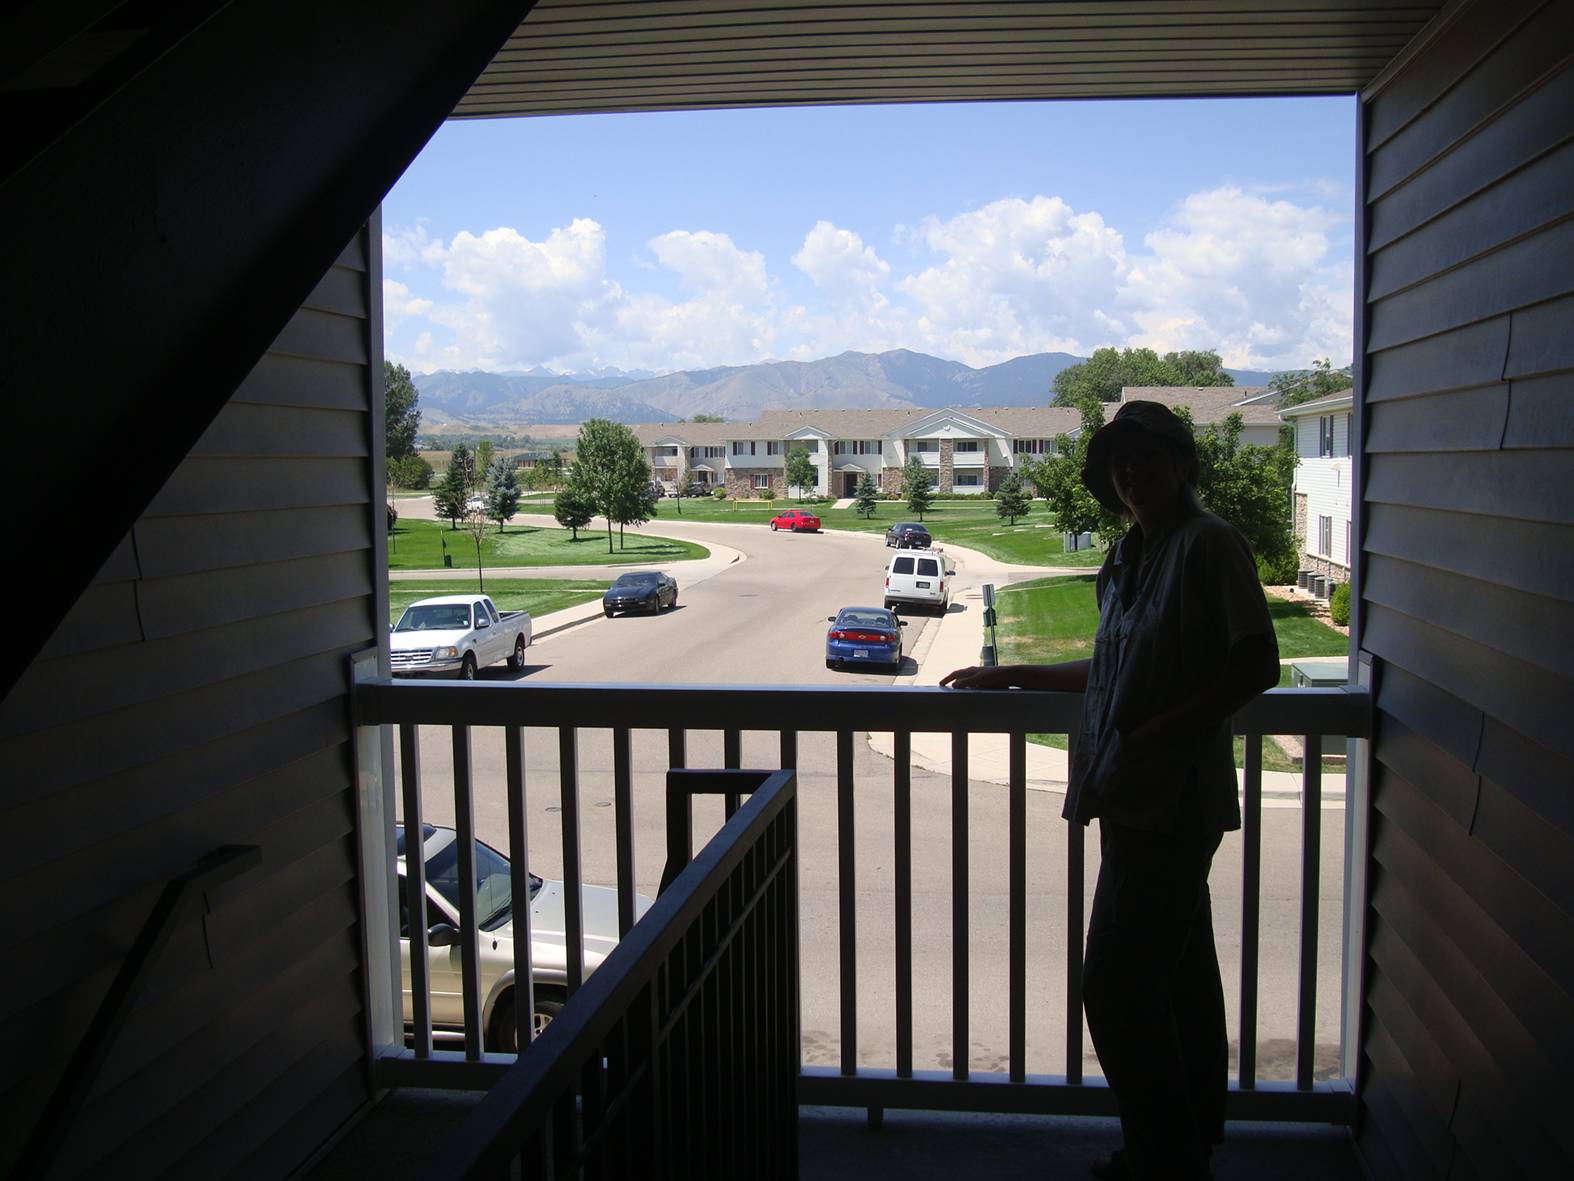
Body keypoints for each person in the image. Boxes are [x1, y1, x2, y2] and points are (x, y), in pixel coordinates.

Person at [942, 401, 1280, 1180]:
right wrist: (1016, 671)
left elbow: (1255, 661)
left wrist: (1171, 726)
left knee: (1115, 988)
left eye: (1148, 454)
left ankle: (1164, 1158)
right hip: (1124, 793)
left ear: (1182, 463)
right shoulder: (1131, 555)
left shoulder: (1209, 544)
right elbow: (1113, 666)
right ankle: (1188, 1143)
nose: (1132, 470)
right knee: (1179, 978)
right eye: (1120, 460)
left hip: (1175, 799)